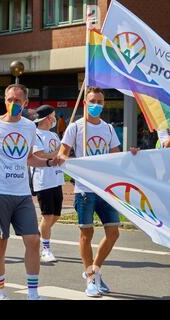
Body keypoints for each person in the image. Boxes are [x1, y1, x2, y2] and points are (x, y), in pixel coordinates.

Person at [0, 84, 64, 300]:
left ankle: (32, 292)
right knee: (0, 243)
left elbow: (29, 158)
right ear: (5, 100)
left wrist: (50, 162)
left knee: (33, 240)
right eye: (10, 99)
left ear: (25, 103)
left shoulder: (29, 127)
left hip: (22, 194)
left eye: (18, 100)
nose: (13, 103)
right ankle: (0, 291)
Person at [58, 86, 138, 297]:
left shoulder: (108, 129)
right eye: (92, 101)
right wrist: (77, 166)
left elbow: (115, 157)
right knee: (87, 233)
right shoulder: (75, 128)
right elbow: (62, 155)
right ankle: (90, 278)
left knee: (113, 232)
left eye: (100, 102)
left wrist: (131, 154)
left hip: (105, 189)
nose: (96, 105)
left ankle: (95, 269)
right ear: (85, 103)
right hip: (84, 189)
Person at [31, 105, 64, 263]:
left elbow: (60, 154)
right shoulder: (36, 135)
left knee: (56, 215)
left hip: (57, 179)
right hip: (43, 181)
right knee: (48, 215)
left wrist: (61, 152)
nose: (54, 119)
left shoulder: (54, 135)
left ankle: (39, 233)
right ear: (46, 118)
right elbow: (39, 155)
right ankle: (46, 249)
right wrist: (56, 153)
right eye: (53, 116)